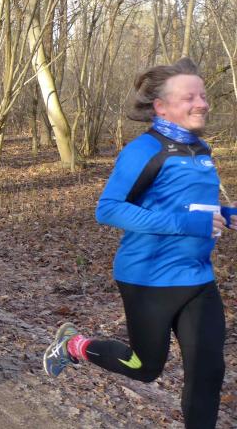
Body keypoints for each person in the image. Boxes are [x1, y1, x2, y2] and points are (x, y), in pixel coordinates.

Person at [42, 58, 236, 429]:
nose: (202, 103)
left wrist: (223, 214)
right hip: (149, 278)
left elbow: (186, 205)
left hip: (197, 277)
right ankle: (74, 346)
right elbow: (108, 209)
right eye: (189, 97)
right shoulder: (144, 150)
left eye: (203, 95)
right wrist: (185, 224)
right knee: (144, 367)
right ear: (161, 106)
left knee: (208, 372)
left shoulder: (200, 150)